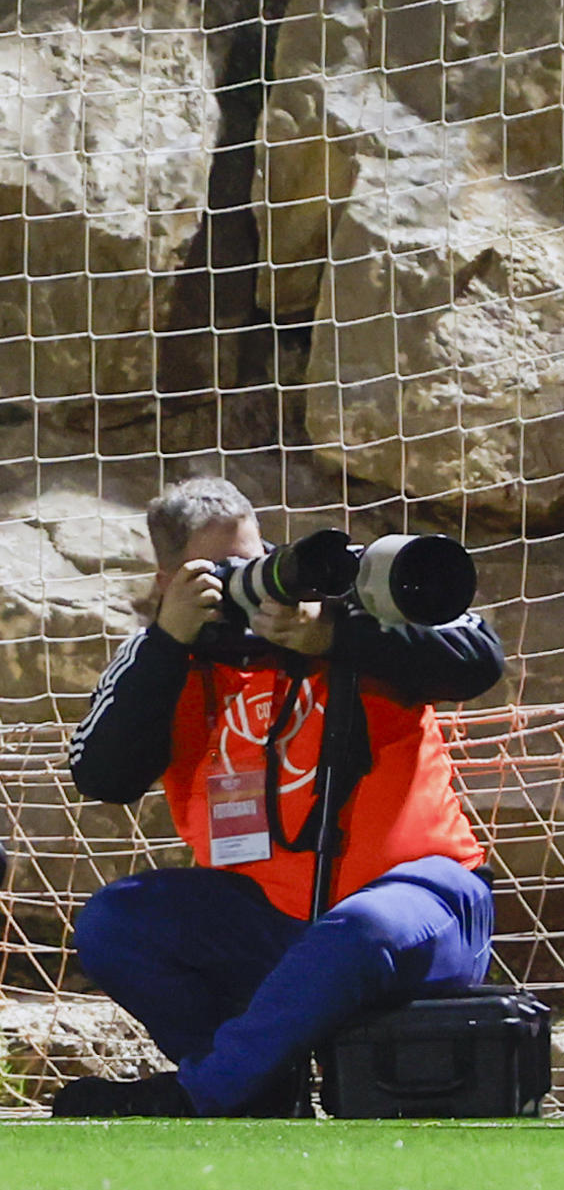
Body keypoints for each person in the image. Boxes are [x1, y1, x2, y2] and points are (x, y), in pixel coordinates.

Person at [52, 477, 503, 1118]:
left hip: (423, 903)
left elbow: (479, 658)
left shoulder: (344, 603)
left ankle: (203, 1094)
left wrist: (336, 639)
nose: (247, 582)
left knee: (360, 928)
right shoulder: (164, 653)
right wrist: (167, 643)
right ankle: (258, 1090)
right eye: (221, 571)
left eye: (255, 557)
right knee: (115, 923)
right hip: (270, 919)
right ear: (166, 579)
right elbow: (100, 777)